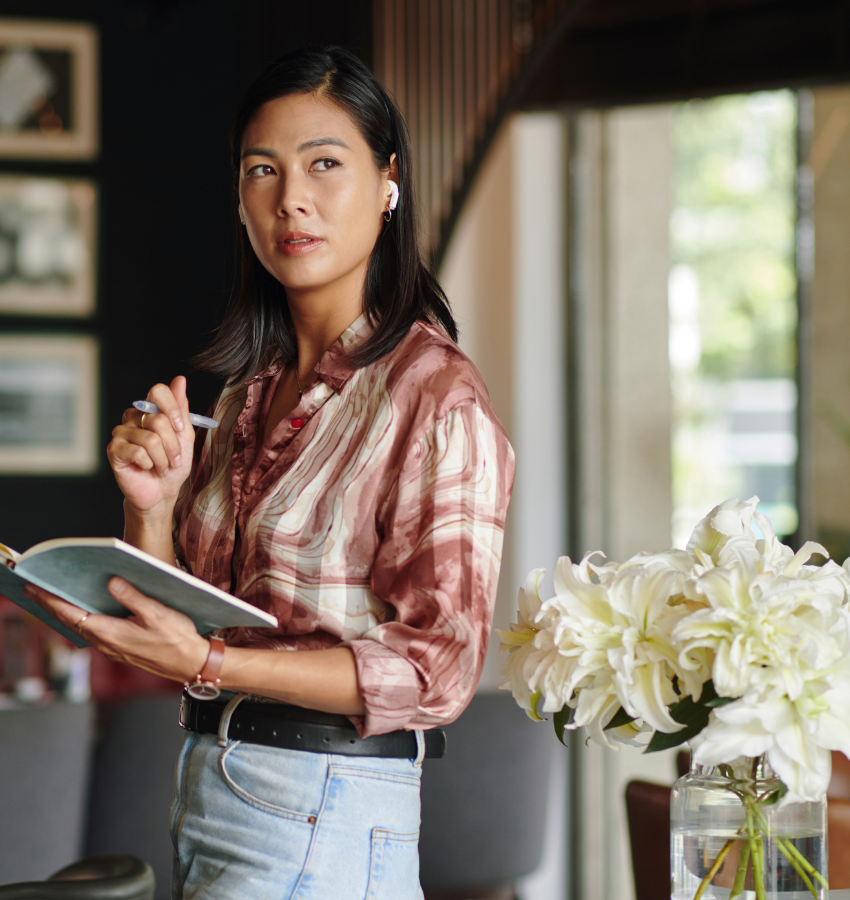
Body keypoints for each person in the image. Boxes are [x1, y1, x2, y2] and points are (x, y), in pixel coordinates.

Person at [27, 46, 514, 899]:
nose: (292, 197)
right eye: (264, 170)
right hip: (214, 781)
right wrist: (155, 507)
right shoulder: (253, 394)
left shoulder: (433, 395)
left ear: (387, 182)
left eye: (325, 163)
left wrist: (213, 666)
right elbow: (198, 631)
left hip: (328, 795)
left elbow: (438, 669)